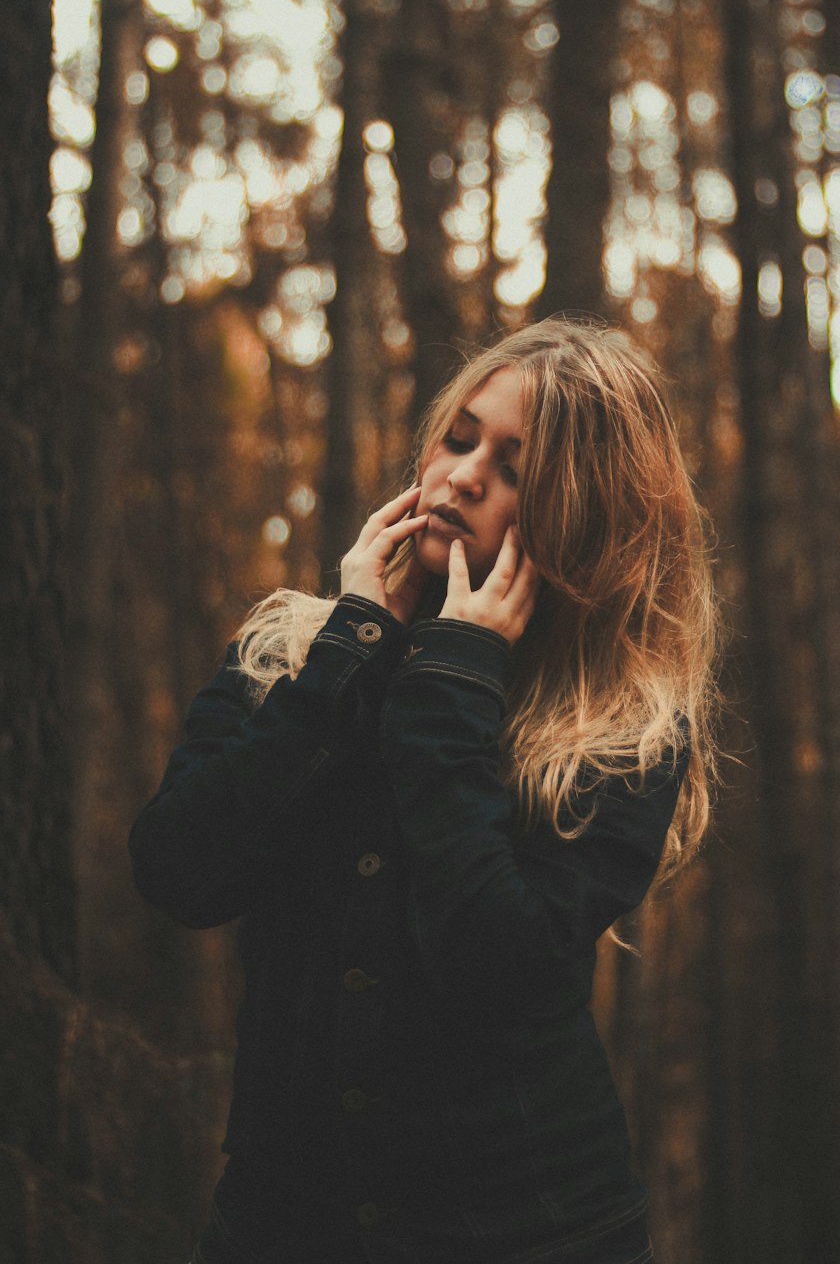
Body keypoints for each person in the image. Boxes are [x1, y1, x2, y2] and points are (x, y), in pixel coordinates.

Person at [129, 315, 723, 1264]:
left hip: (530, 1233)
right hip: (280, 1226)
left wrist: (454, 678)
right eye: (459, 437)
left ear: (586, 510)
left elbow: (498, 965)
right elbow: (177, 869)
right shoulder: (291, 650)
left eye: (518, 467)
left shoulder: (622, 731)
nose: (464, 476)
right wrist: (351, 647)